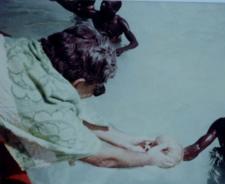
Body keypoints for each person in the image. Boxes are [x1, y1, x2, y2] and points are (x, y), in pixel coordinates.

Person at [0, 23, 181, 171]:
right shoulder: (45, 112)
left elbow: (66, 107)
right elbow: (104, 159)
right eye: (96, 89)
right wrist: (150, 159)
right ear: (79, 83)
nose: (95, 94)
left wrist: (129, 141)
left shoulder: (20, 47)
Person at [53, 0, 138, 56]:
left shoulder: (121, 23)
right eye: (102, 5)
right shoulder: (96, 15)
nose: (102, 9)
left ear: (114, 11)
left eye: (106, 8)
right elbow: (74, 9)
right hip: (99, 39)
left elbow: (134, 42)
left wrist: (122, 49)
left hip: (114, 44)